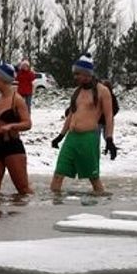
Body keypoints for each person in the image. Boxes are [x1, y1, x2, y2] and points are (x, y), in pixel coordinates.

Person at [50, 54, 116, 196]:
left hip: (88, 138)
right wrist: (60, 136)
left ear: (87, 74)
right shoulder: (77, 91)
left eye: (77, 74)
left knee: (93, 178)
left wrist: (109, 139)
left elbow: (109, 117)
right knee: (58, 173)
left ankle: (100, 206)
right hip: (71, 138)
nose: (75, 77)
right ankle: (55, 207)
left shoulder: (102, 91)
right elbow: (71, 115)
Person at [0, 61, 32, 198]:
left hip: (13, 146)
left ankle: (26, 216)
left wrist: (11, 126)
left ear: (4, 79)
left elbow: (28, 123)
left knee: (23, 190)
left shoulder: (17, 100)